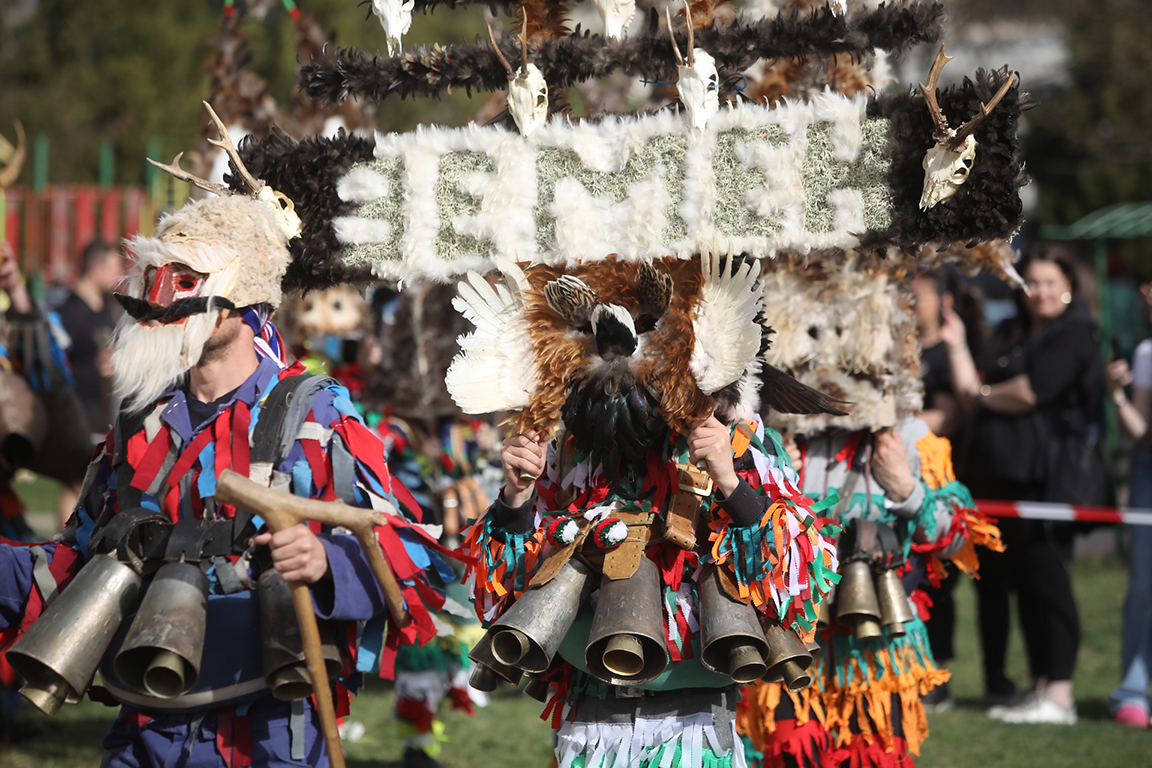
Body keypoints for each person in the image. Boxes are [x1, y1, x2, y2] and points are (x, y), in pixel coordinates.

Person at [0, 123, 451, 767]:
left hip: (271, 733)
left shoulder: (313, 414)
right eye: (153, 276)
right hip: (146, 732)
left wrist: (326, 562)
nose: (156, 300)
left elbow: (412, 554)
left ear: (240, 301)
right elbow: (71, 561)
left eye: (182, 281)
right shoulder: (140, 422)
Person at [738, 259, 999, 768]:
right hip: (793, 657)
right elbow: (734, 549)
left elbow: (958, 540)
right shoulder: (768, 445)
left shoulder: (909, 439)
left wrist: (908, 491)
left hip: (878, 664)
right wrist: (770, 486)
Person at [943, 245, 1104, 724]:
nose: (1040, 292)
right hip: (1005, 481)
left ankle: (1060, 692)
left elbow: (1034, 391)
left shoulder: (1075, 334)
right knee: (1026, 587)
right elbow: (977, 393)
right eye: (1032, 282)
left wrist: (985, 393)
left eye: (1050, 282)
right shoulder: (1012, 333)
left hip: (1050, 482)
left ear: (1069, 286)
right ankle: (1039, 687)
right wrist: (961, 355)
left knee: (1050, 583)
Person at [1105, 282, 1152, 728]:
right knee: (1143, 585)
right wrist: (1117, 394)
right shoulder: (1145, 352)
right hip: (1148, 473)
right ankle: (1133, 692)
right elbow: (1144, 432)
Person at [55, 239, 124, 439]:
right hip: (77, 419)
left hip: (104, 415)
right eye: (115, 268)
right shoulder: (67, 314)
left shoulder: (108, 310)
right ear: (96, 269)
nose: (119, 275)